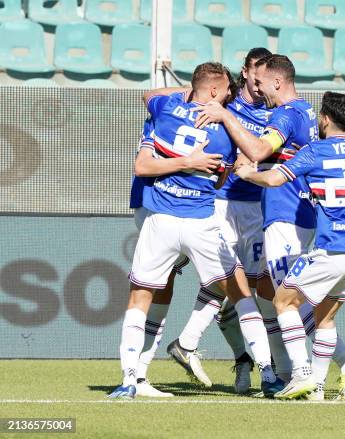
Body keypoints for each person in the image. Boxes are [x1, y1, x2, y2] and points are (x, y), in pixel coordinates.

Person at [195, 55, 345, 398]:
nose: (257, 91)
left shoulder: (286, 114)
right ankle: (296, 372)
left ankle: (342, 367)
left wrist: (226, 117)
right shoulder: (306, 111)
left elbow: (260, 148)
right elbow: (269, 152)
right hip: (297, 214)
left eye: (260, 84)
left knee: (288, 300)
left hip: (286, 217)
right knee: (276, 294)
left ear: (277, 82)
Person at [108, 62, 283, 399]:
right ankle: (269, 374)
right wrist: (193, 162)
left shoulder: (163, 109)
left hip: (160, 220)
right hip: (202, 220)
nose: (230, 98)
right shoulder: (225, 131)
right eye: (226, 92)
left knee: (140, 296)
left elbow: (144, 159)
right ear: (215, 92)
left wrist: (180, 159)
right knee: (241, 293)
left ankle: (129, 379)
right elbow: (222, 177)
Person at [235, 91, 345, 400]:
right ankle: (319, 388)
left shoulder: (315, 151)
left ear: (324, 119)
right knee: (324, 317)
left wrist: (247, 173)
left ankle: (301, 373)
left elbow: (273, 180)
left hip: (331, 248)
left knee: (283, 301)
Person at [166, 47, 273, 395]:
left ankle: (192, 343)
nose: (260, 82)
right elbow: (155, 96)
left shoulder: (276, 112)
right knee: (229, 283)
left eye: (266, 76)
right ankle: (252, 364)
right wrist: (188, 93)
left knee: (246, 288)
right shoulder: (224, 107)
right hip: (222, 204)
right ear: (245, 73)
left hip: (258, 208)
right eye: (256, 74)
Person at [130, 113, 223, 397]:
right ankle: (138, 373)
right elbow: (143, 165)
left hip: (178, 208)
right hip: (164, 206)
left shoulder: (176, 112)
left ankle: (141, 371)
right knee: (151, 290)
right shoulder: (167, 113)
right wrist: (189, 162)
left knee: (165, 287)